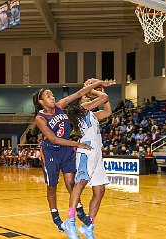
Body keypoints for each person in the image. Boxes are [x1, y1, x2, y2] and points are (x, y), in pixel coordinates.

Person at [33, 79, 115, 232]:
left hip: (68, 150)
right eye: (48, 96)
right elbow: (53, 138)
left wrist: (98, 85)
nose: (52, 97)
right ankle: (56, 215)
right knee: (53, 186)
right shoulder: (41, 117)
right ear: (40, 101)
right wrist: (96, 88)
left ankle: (79, 212)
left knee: (72, 183)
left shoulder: (62, 107)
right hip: (52, 150)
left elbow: (84, 96)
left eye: (52, 95)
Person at [62, 81, 113, 239]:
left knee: (99, 190)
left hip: (97, 152)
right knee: (81, 183)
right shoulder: (82, 110)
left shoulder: (92, 114)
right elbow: (104, 97)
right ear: (81, 102)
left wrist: (98, 93)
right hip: (87, 150)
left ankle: (88, 226)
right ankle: (70, 220)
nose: (87, 98)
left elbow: (108, 111)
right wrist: (97, 92)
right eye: (85, 97)